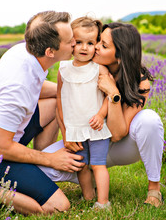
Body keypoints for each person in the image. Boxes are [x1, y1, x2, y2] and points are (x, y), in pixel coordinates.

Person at [0, 11, 85, 215]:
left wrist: (70, 88)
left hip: (5, 133)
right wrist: (51, 159)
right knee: (58, 207)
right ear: (50, 51)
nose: (75, 44)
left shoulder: (24, 52)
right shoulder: (17, 87)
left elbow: (36, 88)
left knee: (57, 102)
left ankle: (41, 170)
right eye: (70, 41)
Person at [39, 22, 164, 207]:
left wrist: (113, 93)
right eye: (98, 41)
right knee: (41, 168)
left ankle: (154, 188)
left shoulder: (140, 82)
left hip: (120, 146)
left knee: (149, 120)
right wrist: (67, 136)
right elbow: (61, 96)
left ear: (120, 55)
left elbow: (118, 133)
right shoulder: (84, 68)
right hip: (85, 139)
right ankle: (93, 182)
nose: (95, 47)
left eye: (103, 45)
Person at [57, 17, 112, 209]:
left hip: (96, 127)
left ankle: (103, 202)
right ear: (71, 42)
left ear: (97, 44)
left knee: (98, 165)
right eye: (78, 42)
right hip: (75, 128)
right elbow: (60, 100)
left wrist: (101, 115)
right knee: (81, 166)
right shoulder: (63, 68)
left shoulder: (99, 69)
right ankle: (88, 197)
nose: (83, 47)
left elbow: (109, 96)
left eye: (90, 43)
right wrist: (65, 132)